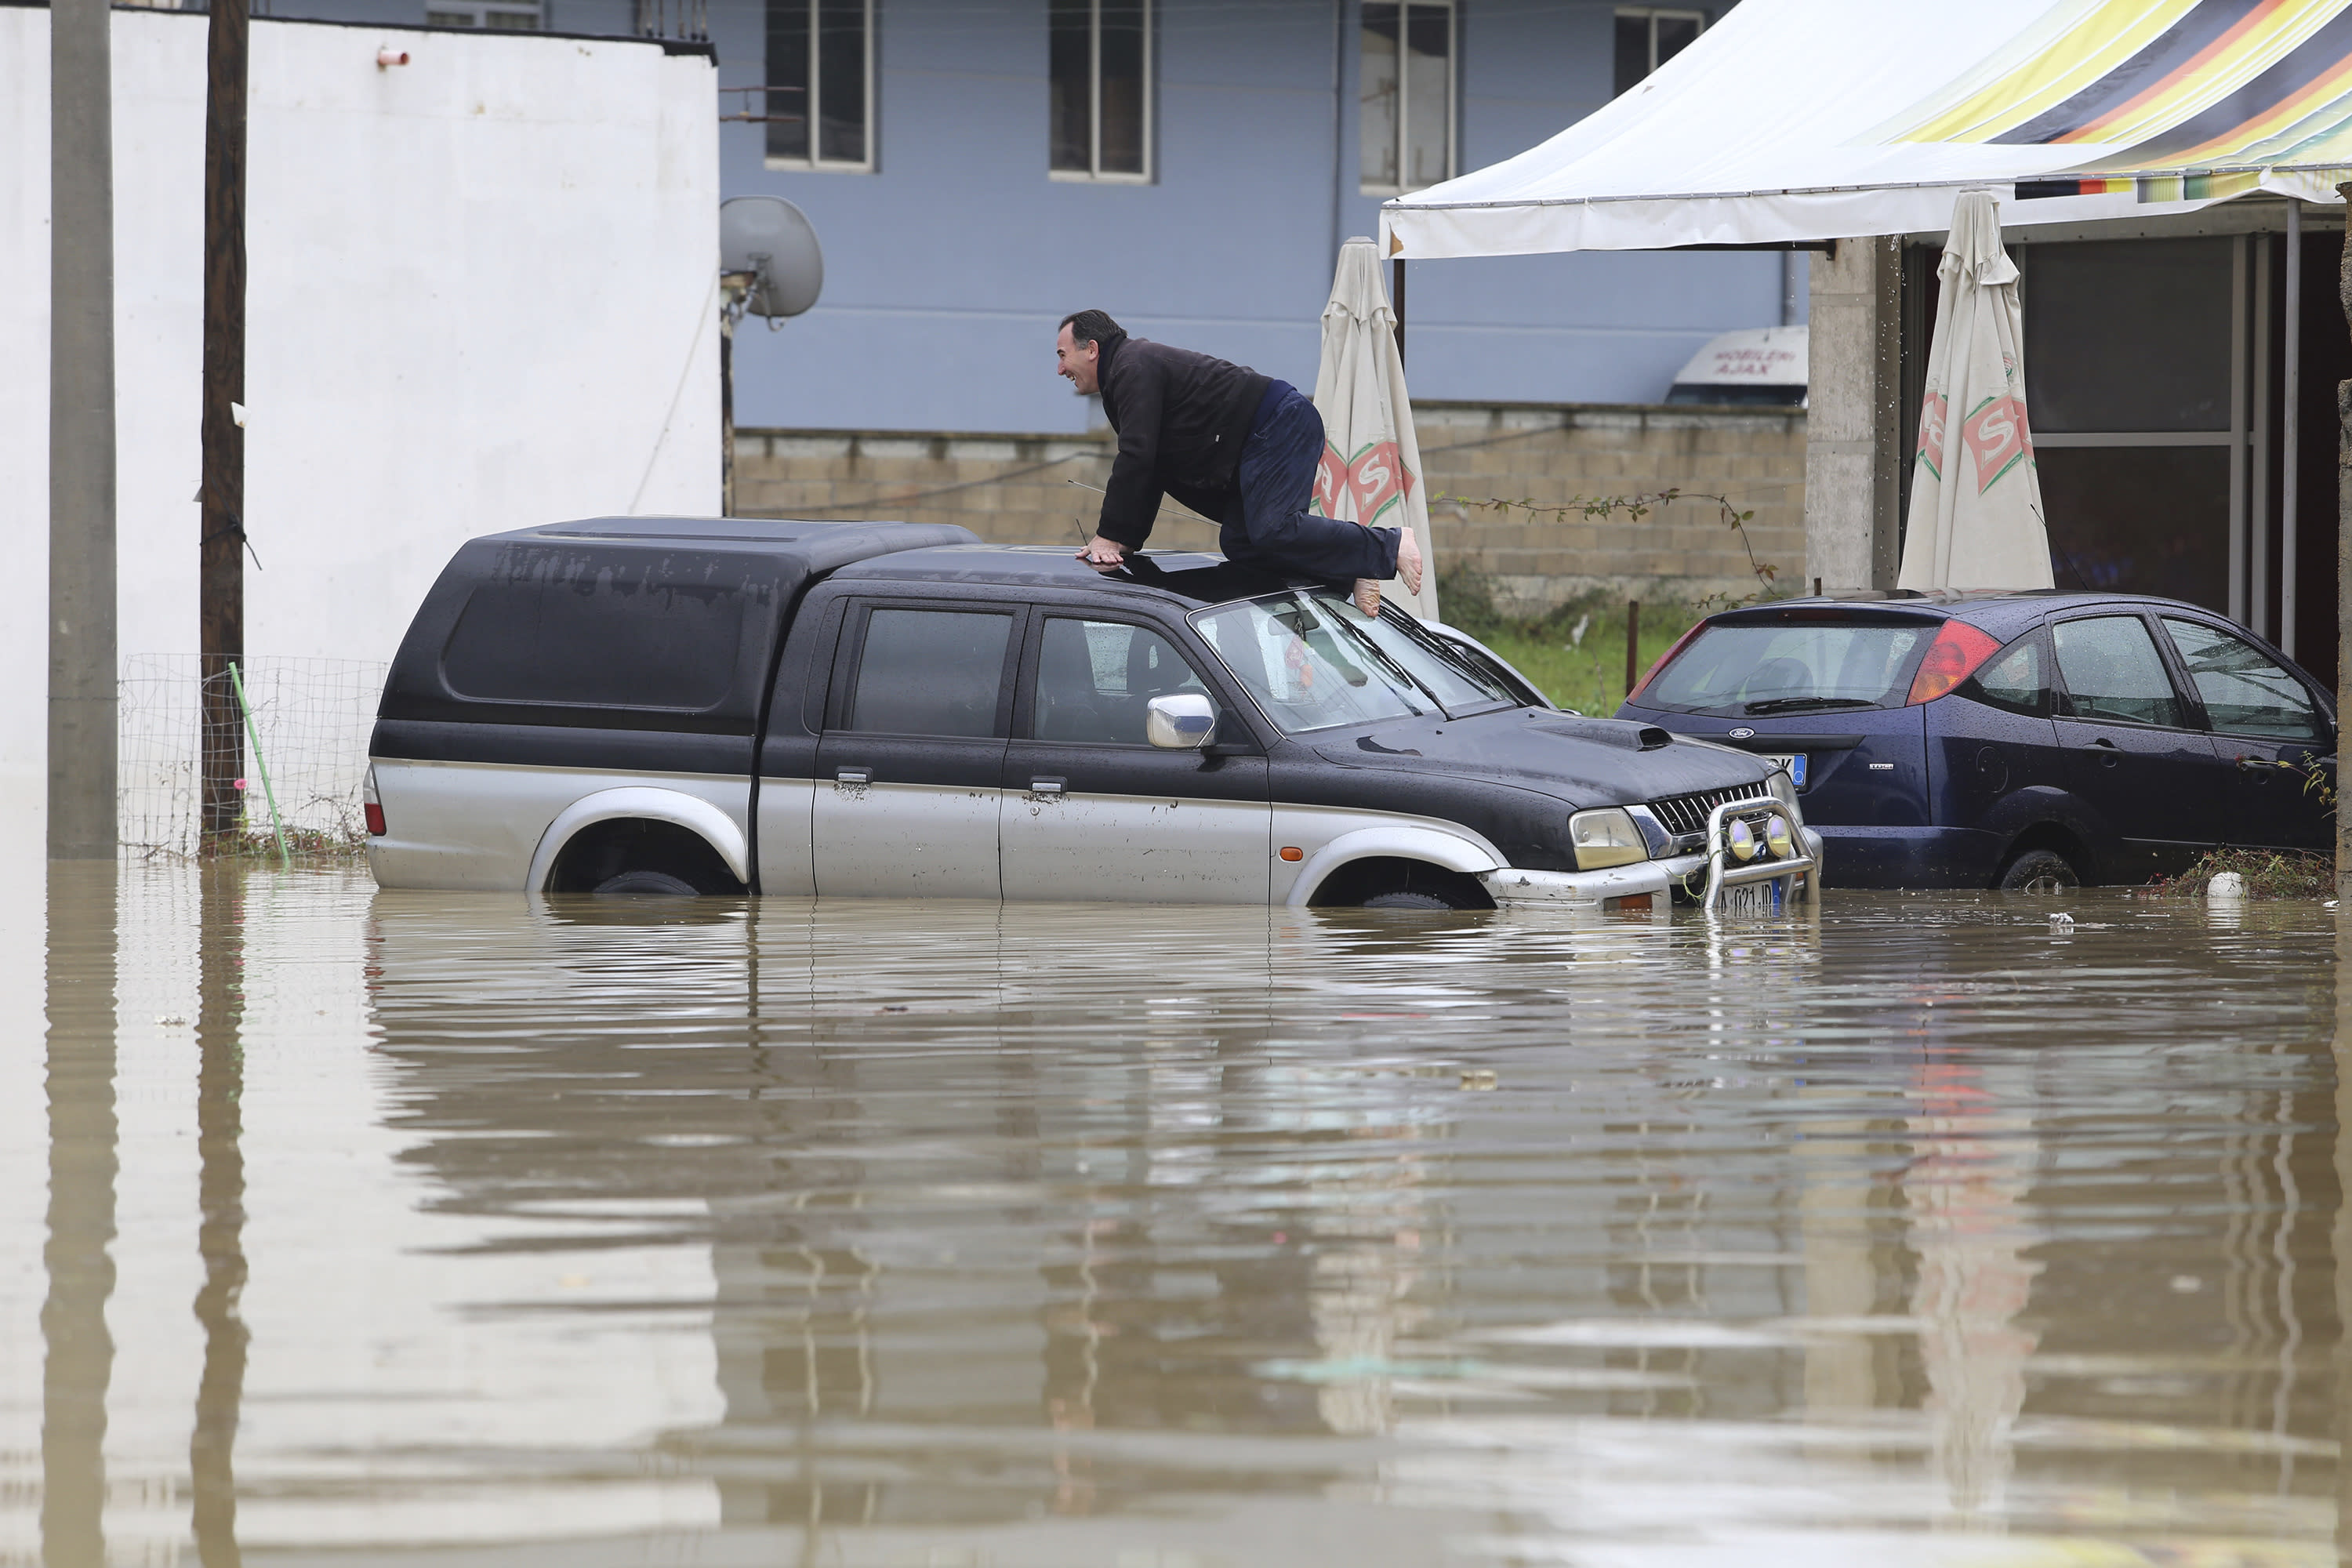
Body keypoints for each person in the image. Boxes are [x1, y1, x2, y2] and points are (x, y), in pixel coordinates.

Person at [1054, 309, 1422, 613]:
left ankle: (1390, 544)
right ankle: (1350, 569)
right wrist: (1124, 540)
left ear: (1092, 349)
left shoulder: (1133, 366)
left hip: (1278, 421)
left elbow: (1136, 456)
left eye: (1062, 355)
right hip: (1252, 444)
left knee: (1273, 528)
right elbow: (1152, 467)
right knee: (1242, 542)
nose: (1059, 370)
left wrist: (1109, 535)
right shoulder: (1125, 376)